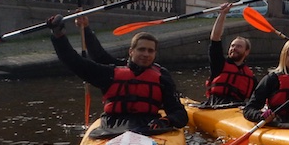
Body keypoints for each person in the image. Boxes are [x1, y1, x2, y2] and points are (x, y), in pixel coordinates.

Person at [47, 14, 188, 133]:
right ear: (131, 51)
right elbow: (74, 61)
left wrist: (166, 120)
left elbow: (180, 114)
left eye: (150, 51)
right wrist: (58, 34)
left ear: (155, 54)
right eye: (141, 49)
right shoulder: (111, 73)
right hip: (111, 128)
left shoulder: (162, 77)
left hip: (148, 127)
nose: (146, 54)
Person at [204, 2, 256, 106]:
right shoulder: (219, 64)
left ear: (246, 52)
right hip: (215, 105)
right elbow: (215, 38)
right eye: (232, 46)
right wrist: (222, 14)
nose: (234, 48)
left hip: (236, 110)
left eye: (239, 46)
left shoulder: (251, 77)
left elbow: (257, 99)